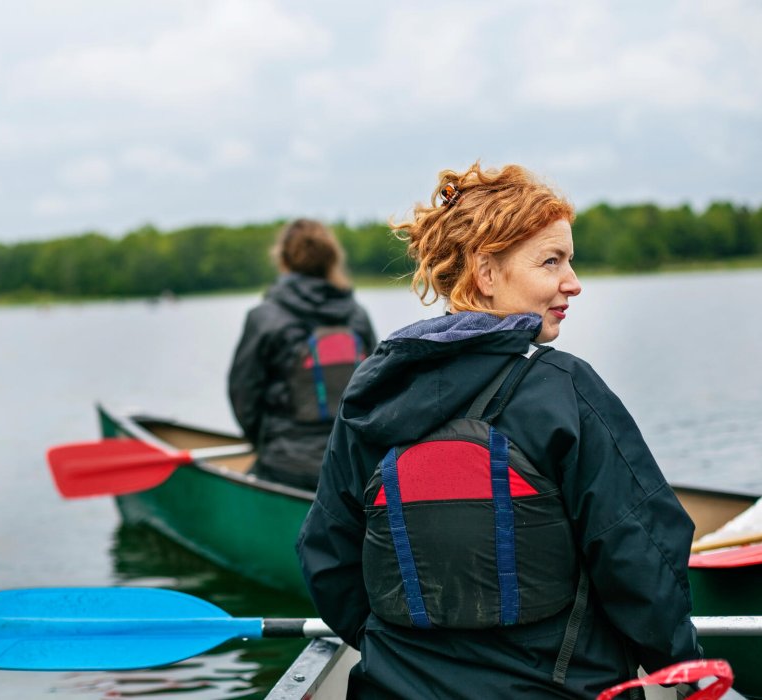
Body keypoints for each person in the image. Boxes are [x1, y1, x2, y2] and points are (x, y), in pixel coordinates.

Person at [296, 162, 701, 699]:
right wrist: (683, 667)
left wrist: (401, 660)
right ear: (486, 274)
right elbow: (641, 558)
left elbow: (327, 560)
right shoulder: (565, 389)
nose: (572, 283)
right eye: (551, 262)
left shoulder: (372, 394)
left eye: (569, 262)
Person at [228, 218, 377, 491]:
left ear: (283, 259)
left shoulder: (263, 317)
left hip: (284, 465)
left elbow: (243, 395)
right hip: (349, 464)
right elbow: (377, 387)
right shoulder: (357, 315)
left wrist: (264, 444)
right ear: (332, 259)